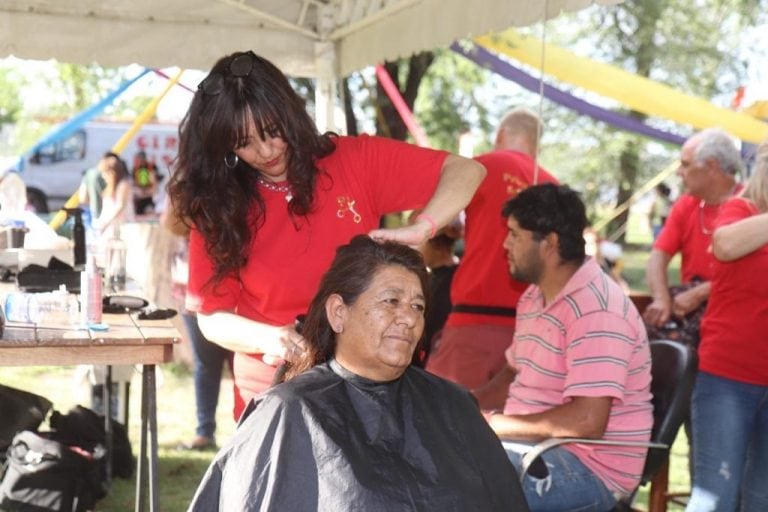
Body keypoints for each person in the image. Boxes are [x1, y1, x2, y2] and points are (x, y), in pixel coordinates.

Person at [167, 50, 486, 419]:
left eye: (273, 131)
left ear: (291, 114)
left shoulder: (353, 161)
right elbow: (211, 318)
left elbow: (466, 171)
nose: (266, 150)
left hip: (367, 387)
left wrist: (423, 227)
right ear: (225, 146)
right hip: (274, 391)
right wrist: (271, 338)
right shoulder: (218, 205)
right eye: (244, 142)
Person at [187, 235, 528, 511]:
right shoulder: (290, 412)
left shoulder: (452, 404)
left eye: (418, 306)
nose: (409, 318)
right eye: (391, 301)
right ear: (338, 313)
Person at [475, 184, 652, 511]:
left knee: (462, 490)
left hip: (591, 468)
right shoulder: (534, 295)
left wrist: (494, 424)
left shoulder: (597, 309)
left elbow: (586, 421)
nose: (505, 244)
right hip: (537, 447)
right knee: (435, 463)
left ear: (550, 243)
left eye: (515, 235)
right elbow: (512, 374)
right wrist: (464, 404)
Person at [426, 108, 557, 389]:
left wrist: (455, 226)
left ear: (500, 135)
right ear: (537, 144)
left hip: (474, 321)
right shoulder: (555, 187)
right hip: (537, 329)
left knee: (441, 417)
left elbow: (440, 219)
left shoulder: (480, 168)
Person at [685, 142, 768, 512]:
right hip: (729, 378)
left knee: (762, 497)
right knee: (714, 495)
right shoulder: (741, 209)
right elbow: (724, 244)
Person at [643, 128, 742, 346]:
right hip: (689, 309)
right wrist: (661, 299)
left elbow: (751, 276)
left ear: (711, 167)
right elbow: (658, 257)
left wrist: (700, 294)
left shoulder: (752, 207)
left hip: (733, 315)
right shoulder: (686, 205)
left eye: (685, 164)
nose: (679, 172)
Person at [161, 201, 234, 451]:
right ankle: (205, 431)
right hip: (198, 293)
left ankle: (244, 432)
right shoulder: (189, 192)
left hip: (235, 295)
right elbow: (170, 223)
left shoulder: (242, 188)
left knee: (236, 366)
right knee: (207, 365)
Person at [94, 154, 134, 238]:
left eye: (104, 173)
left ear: (112, 173)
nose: (103, 176)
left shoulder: (123, 185)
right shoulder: (110, 187)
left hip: (121, 228)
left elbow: (120, 206)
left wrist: (105, 223)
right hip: (110, 228)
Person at [77, 151, 115, 225]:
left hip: (93, 214)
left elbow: (83, 198)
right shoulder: (110, 175)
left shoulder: (89, 173)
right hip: (109, 217)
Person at [131, 150, 158, 215]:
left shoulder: (151, 168)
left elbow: (154, 185)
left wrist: (146, 192)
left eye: (140, 159)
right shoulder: (135, 169)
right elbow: (133, 183)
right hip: (138, 199)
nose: (139, 161)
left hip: (148, 198)